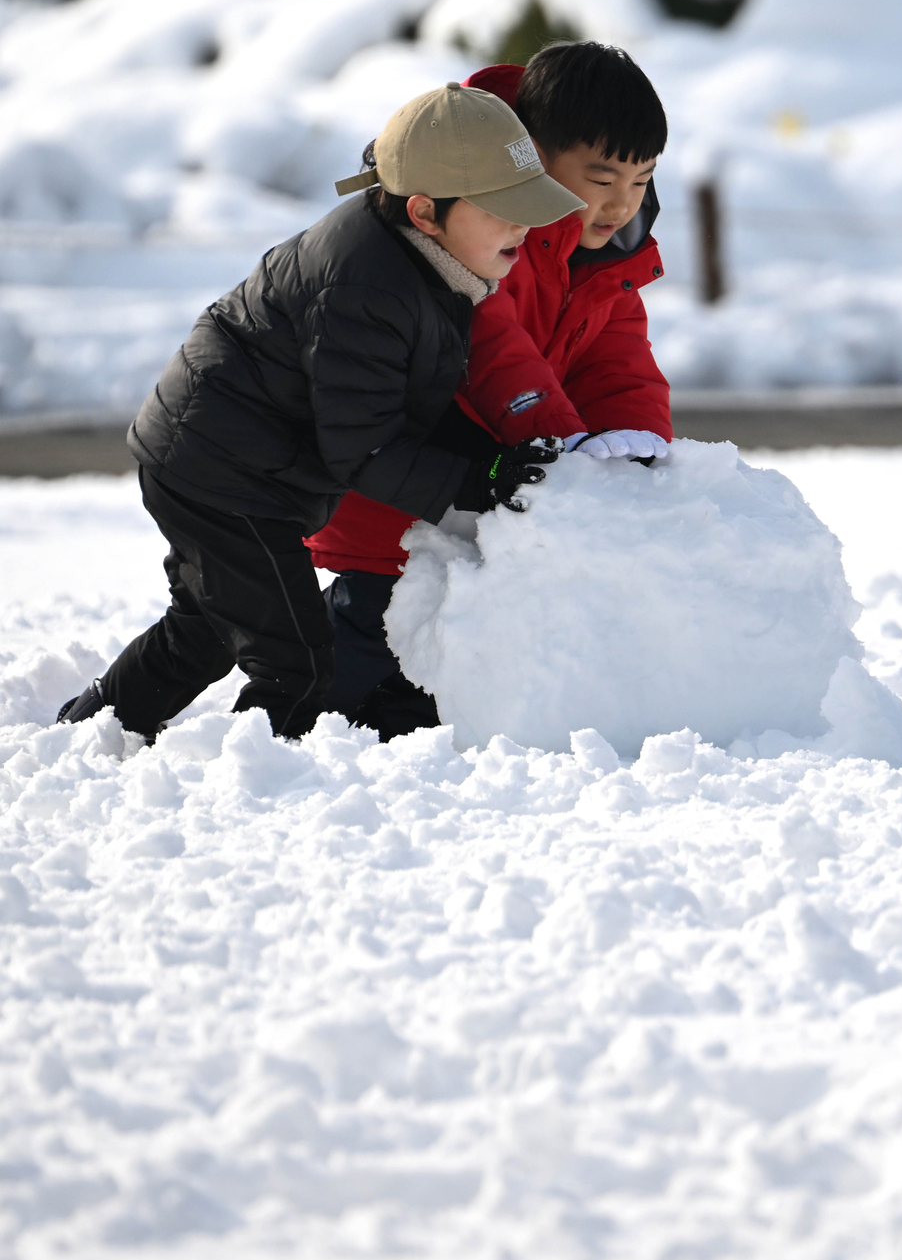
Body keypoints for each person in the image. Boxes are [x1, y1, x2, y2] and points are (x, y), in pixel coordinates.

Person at [56, 83, 583, 742]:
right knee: (299, 661)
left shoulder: (431, 262)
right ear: (425, 210)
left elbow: (403, 404)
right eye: (504, 209)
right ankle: (249, 782)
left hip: (232, 462)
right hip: (221, 474)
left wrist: (497, 462)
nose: (524, 226)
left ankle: (86, 732)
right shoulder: (366, 286)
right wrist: (482, 480)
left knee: (206, 629)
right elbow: (365, 450)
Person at [305, 42, 673, 740]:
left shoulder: (603, 253)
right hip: (407, 464)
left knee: (445, 630)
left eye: (640, 180)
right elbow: (489, 340)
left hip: (489, 474)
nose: (621, 203)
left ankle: (396, 728)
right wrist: (557, 436)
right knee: (370, 615)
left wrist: (634, 435)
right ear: (533, 153)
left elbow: (618, 356)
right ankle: (275, 732)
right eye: (601, 179)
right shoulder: (481, 221)